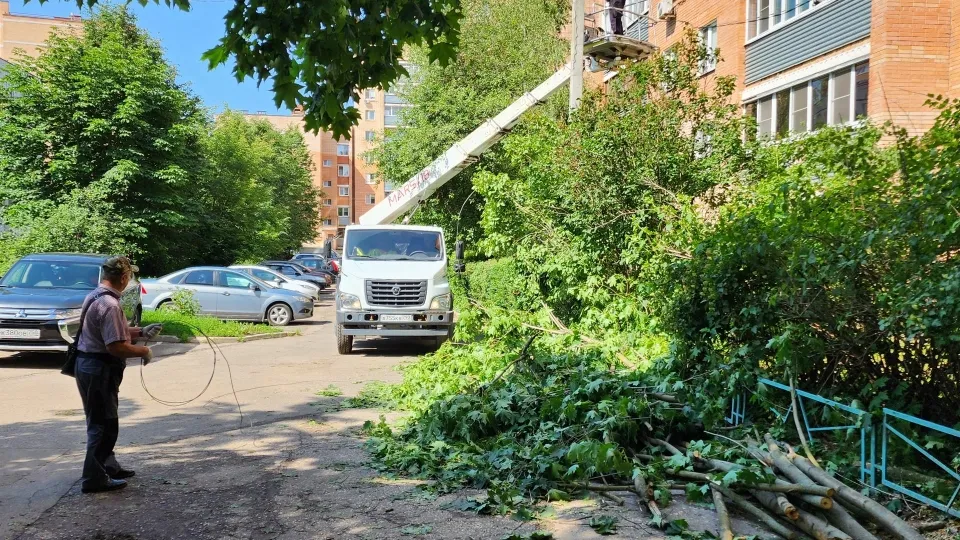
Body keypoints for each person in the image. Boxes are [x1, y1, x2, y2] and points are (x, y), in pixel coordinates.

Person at [75, 256, 162, 494]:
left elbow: (113, 333)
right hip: (99, 368)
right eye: (129, 277)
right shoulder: (110, 305)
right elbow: (116, 346)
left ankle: (107, 467)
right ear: (123, 278)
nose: (129, 281)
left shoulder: (95, 296)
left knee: (104, 421)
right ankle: (94, 478)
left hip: (90, 366)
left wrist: (141, 331)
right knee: (103, 424)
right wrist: (144, 351)